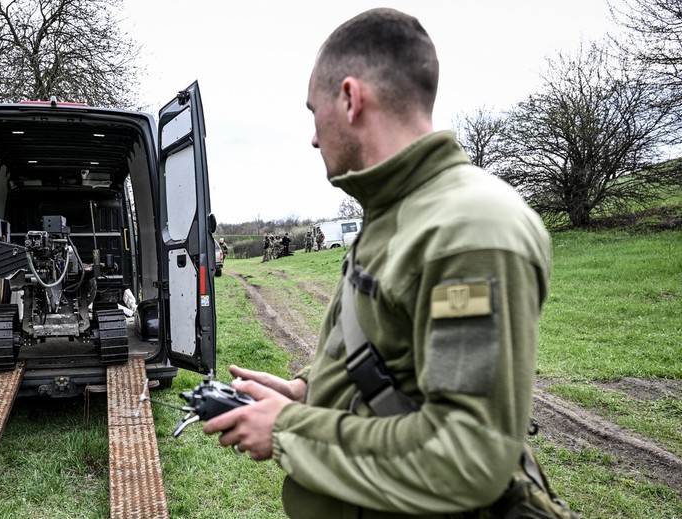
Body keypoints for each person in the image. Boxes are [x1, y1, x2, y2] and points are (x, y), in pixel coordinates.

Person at [203, 8, 558, 519]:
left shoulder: (470, 228)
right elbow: (394, 350)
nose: (312, 137)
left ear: (349, 98)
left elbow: (467, 457)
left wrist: (287, 430)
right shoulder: (397, 211)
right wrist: (307, 389)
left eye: (313, 112)